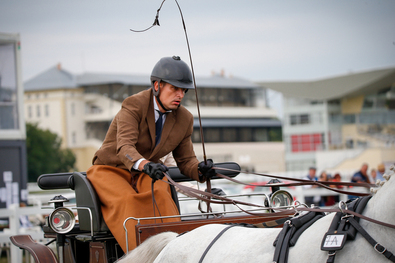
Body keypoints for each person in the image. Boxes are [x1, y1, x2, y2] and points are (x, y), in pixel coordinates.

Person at [86, 56, 215, 252]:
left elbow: (186, 160)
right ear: (157, 85)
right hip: (110, 169)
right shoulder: (133, 105)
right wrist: (145, 164)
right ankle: (140, 256)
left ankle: (177, 252)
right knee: (129, 201)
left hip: (147, 171)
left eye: (184, 90)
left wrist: (200, 170)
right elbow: (125, 147)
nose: (180, 94)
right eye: (174, 88)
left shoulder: (185, 118)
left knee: (162, 196)